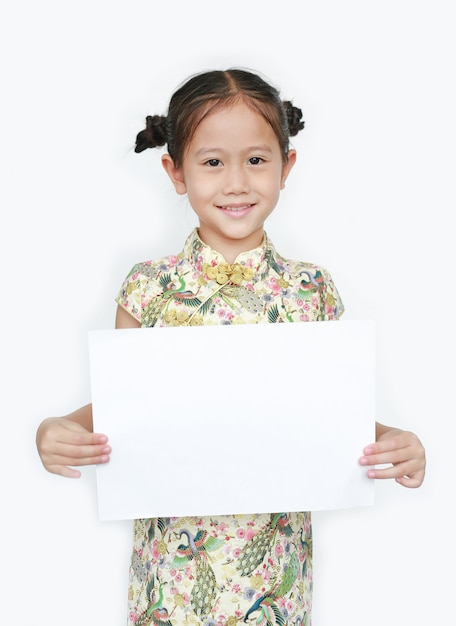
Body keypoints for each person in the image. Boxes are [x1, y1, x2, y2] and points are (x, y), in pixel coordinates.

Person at [36, 68, 426, 626]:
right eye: (213, 162)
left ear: (287, 167)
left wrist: (395, 441)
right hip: (171, 576)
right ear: (175, 171)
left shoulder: (310, 290)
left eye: (257, 160)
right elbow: (124, 407)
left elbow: (331, 415)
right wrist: (55, 429)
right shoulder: (148, 287)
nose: (237, 182)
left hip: (274, 579)